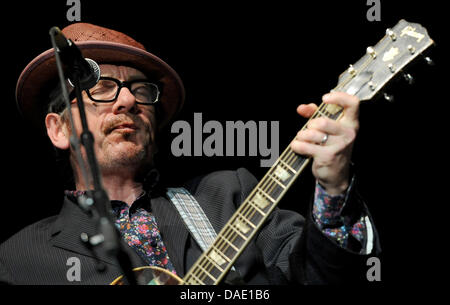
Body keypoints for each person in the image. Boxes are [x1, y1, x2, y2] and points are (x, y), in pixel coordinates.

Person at [0, 23, 380, 285]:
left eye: (141, 89)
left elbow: (328, 277)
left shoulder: (230, 195)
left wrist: (333, 189)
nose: (130, 100)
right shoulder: (17, 259)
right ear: (59, 129)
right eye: (101, 88)